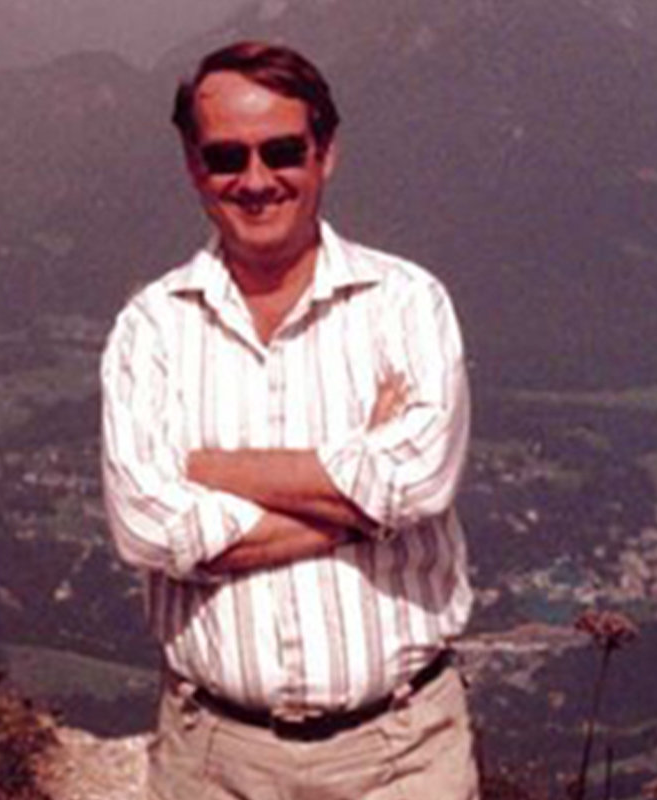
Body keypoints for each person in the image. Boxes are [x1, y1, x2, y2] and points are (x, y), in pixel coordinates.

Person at [100, 41, 478, 799]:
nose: (256, 180)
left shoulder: (405, 305)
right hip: (213, 759)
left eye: (282, 151)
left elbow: (416, 483)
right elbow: (147, 528)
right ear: (192, 166)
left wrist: (209, 466)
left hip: (401, 757)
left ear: (325, 153)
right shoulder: (152, 329)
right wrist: (360, 502)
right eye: (225, 157)